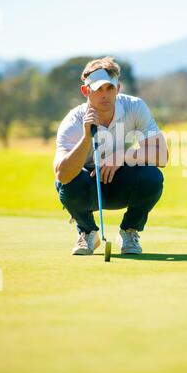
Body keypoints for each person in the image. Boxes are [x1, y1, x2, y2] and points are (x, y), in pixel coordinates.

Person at [53, 56, 168, 255]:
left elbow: (162, 156)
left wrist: (121, 156)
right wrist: (87, 136)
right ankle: (88, 232)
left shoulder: (135, 107)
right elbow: (62, 174)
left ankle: (129, 231)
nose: (105, 95)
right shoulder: (73, 120)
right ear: (85, 91)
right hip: (86, 186)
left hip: (121, 180)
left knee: (152, 177)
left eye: (110, 88)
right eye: (98, 89)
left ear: (118, 88)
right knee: (67, 183)